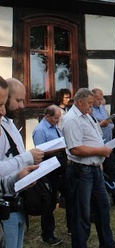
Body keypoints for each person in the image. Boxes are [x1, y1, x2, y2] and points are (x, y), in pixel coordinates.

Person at [62, 87, 115, 248]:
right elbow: (75, 149)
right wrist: (101, 151)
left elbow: (94, 138)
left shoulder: (86, 116)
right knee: (82, 213)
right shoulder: (71, 119)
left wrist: (98, 162)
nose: (92, 106)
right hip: (81, 170)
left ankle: (107, 243)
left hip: (94, 168)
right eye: (89, 103)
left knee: (103, 206)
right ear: (79, 101)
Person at [0, 78, 44, 248]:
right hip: (6, 207)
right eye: (18, 100)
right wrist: (26, 158)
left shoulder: (9, 124)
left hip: (19, 201)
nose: (22, 105)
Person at [32, 105, 67, 245]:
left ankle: (72, 227)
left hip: (61, 167)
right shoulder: (40, 130)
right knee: (49, 203)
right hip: (49, 170)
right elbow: (40, 152)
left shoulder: (55, 127)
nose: (58, 121)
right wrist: (58, 148)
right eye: (55, 118)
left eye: (59, 118)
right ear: (47, 116)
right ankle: (48, 235)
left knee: (69, 195)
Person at [91, 88, 115, 206]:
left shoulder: (102, 108)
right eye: (98, 98)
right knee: (100, 175)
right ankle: (102, 199)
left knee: (112, 171)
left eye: (102, 98)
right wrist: (101, 124)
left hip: (109, 145)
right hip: (98, 148)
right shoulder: (89, 111)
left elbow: (111, 123)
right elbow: (92, 127)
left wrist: (109, 125)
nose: (100, 100)